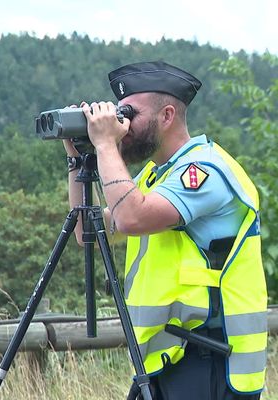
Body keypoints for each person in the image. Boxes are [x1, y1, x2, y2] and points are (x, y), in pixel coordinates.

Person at [63, 61, 267, 400]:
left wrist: (106, 146)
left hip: (208, 360)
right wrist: (77, 158)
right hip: (166, 357)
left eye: (129, 113)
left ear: (167, 115)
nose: (121, 125)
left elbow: (131, 218)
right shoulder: (153, 178)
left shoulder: (205, 171)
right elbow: (87, 230)